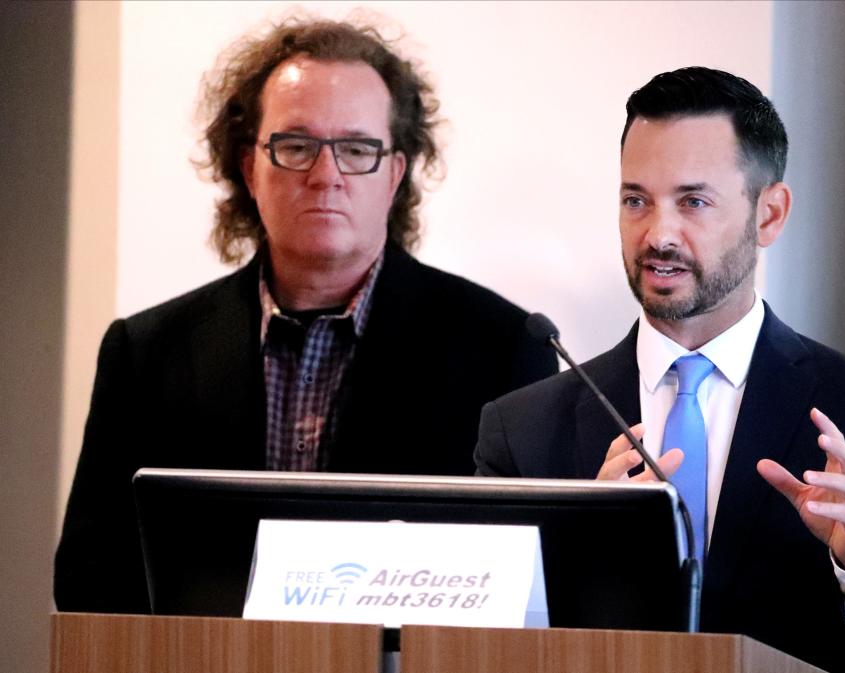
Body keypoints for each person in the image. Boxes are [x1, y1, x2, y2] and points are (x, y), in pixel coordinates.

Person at [55, 18, 557, 614]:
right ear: (249, 168)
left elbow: (531, 589)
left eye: (357, 149)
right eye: (295, 146)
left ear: (395, 173)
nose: (326, 177)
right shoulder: (145, 352)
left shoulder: (501, 347)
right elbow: (89, 581)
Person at [475, 67, 845, 673]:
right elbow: (477, 648)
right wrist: (578, 558)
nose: (658, 234)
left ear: (770, 215)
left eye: (693, 202)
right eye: (636, 201)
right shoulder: (522, 430)